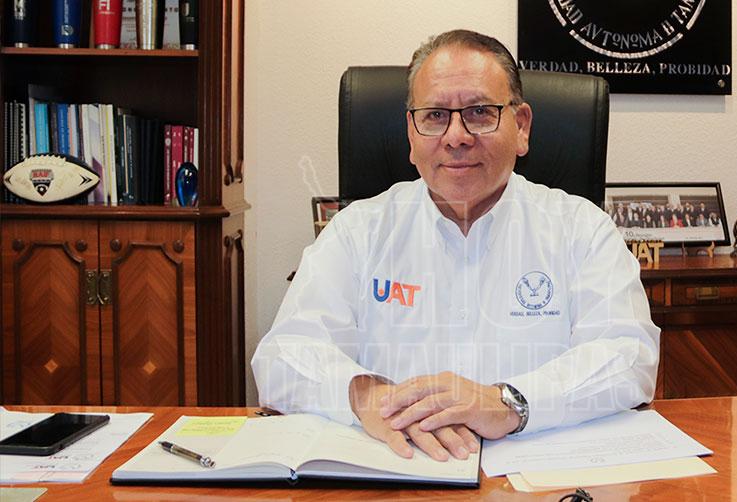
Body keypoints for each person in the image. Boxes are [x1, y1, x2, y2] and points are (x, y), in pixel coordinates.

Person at [251, 29, 660, 463]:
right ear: (411, 134)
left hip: (538, 477)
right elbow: (281, 358)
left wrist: (509, 403)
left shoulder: (582, 230)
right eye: (434, 116)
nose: (456, 136)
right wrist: (368, 397)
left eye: (480, 113)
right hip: (397, 471)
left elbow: (628, 356)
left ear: (521, 127)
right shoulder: (358, 232)